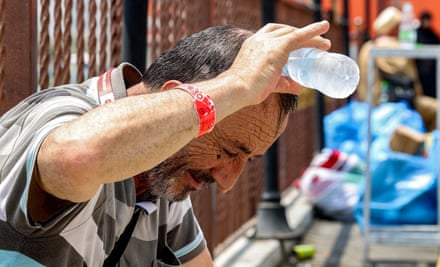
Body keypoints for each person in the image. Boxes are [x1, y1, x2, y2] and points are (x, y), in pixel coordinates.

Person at [0, 21, 331, 266]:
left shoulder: (163, 169)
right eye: (229, 151)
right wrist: (238, 83)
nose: (228, 182)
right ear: (180, 103)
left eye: (249, 159)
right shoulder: (64, 115)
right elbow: (77, 157)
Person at [355, 6, 423, 105]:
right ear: (394, 27)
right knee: (437, 109)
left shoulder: (368, 46)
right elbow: (408, 75)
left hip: (367, 102)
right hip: (387, 104)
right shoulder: (391, 46)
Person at [415, 10, 440, 98]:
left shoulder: (434, 36)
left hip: (432, 73)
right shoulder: (416, 34)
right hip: (419, 72)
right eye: (424, 20)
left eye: (428, 20)